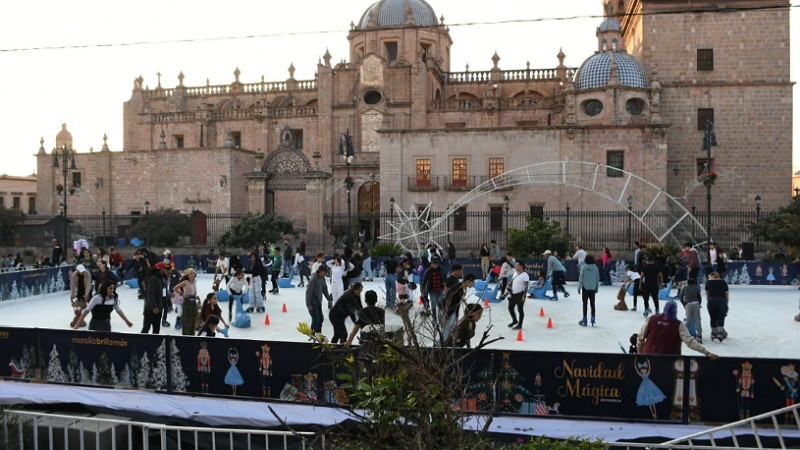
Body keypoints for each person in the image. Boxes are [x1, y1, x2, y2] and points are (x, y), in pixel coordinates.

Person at [637, 301, 719, 359]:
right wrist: (706, 353)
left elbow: (641, 337)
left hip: (648, 356)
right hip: (670, 360)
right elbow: (690, 341)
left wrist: (639, 352)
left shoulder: (652, 319)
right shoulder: (678, 325)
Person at [442, 273, 477, 340]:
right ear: (467, 281)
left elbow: (457, 303)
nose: (473, 284)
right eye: (473, 282)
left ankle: (445, 345)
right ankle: (440, 346)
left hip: (452, 310)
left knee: (451, 330)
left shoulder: (463, 288)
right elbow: (451, 303)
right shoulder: (458, 288)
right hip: (447, 309)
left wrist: (456, 315)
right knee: (446, 332)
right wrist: (447, 316)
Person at [142, 262, 170, 334]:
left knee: (156, 329)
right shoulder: (153, 278)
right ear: (160, 269)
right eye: (165, 268)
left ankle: (155, 344)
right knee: (146, 328)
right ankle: (141, 343)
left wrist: (168, 302)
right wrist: (154, 307)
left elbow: (164, 292)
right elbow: (150, 294)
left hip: (159, 308)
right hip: (150, 309)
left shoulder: (162, 279)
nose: (167, 270)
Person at [306, 265, 332, 334]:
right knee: (316, 319)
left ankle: (318, 333)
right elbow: (308, 292)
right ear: (320, 271)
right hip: (312, 302)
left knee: (321, 318)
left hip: (318, 302)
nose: (325, 274)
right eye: (325, 272)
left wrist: (329, 299)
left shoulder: (322, 278)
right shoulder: (313, 279)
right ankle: (313, 334)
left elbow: (324, 289)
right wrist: (308, 304)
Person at [705, 271, 730, 341]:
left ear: (713, 276)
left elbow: (707, 294)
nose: (709, 278)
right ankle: (720, 333)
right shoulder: (723, 282)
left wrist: (709, 301)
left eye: (709, 277)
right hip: (721, 301)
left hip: (711, 301)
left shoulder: (708, 283)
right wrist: (726, 304)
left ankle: (713, 333)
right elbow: (727, 295)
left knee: (712, 317)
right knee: (720, 317)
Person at [173, 268, 199, 334]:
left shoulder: (194, 281)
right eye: (190, 273)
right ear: (187, 275)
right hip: (187, 302)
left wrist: (196, 297)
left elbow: (194, 291)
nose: (192, 274)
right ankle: (186, 336)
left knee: (193, 320)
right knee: (187, 321)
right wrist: (181, 294)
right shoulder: (185, 282)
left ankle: (192, 335)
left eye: (193, 273)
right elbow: (175, 288)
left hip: (193, 302)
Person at [679, 278, 703, 343]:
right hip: (696, 304)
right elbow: (699, 298)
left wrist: (684, 304)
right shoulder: (696, 288)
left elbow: (680, 297)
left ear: (687, 283)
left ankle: (685, 335)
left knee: (688, 319)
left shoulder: (684, 288)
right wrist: (699, 305)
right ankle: (699, 335)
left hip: (688, 304)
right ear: (694, 283)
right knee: (697, 319)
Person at [577, 254, 599, 327]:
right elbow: (597, 279)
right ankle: (593, 317)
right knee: (592, 304)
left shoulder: (583, 268)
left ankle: (585, 318)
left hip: (585, 288)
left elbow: (581, 278)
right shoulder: (596, 268)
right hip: (592, 288)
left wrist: (579, 288)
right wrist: (596, 288)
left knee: (585, 304)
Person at [507, 262, 530, 330]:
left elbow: (526, 286)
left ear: (521, 266)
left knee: (520, 310)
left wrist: (524, 296)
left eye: (517, 265)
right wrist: (509, 285)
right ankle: (514, 320)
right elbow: (512, 281)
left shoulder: (525, 275)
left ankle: (520, 325)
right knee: (510, 308)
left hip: (520, 294)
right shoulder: (515, 273)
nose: (515, 266)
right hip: (513, 294)